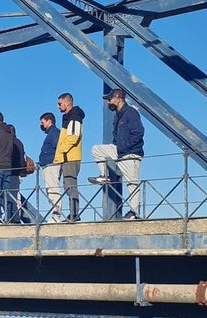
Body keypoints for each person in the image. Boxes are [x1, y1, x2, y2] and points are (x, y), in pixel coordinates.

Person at [89, 89, 146, 220]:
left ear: (119, 98)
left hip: (131, 153)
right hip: (119, 151)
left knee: (132, 183)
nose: (108, 101)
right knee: (96, 149)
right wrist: (118, 147)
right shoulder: (117, 115)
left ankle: (134, 212)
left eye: (110, 99)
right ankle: (104, 176)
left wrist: (124, 146)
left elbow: (138, 133)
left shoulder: (130, 113)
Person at [55, 92, 85, 222]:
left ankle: (74, 214)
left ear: (67, 103)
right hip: (67, 157)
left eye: (60, 103)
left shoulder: (74, 116)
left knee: (70, 186)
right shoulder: (69, 117)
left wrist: (61, 150)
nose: (58, 106)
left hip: (70, 157)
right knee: (69, 186)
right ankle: (73, 214)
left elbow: (73, 136)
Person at [38, 112, 63, 222]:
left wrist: (52, 160)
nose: (41, 125)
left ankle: (56, 215)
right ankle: (55, 213)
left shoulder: (54, 133)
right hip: (48, 165)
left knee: (53, 189)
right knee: (50, 189)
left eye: (42, 122)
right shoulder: (52, 133)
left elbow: (57, 147)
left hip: (51, 165)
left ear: (49, 121)